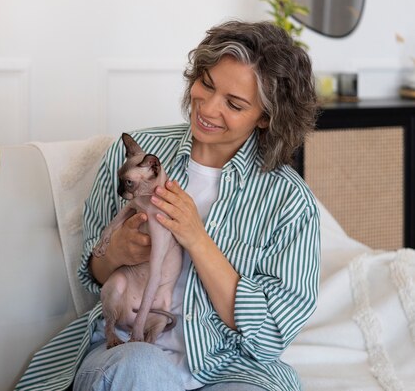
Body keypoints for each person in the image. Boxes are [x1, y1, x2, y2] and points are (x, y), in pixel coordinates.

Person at [16, 20, 320, 391]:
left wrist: (197, 239)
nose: (207, 108)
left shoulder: (290, 202)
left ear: (267, 118)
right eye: (206, 84)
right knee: (139, 369)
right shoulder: (137, 153)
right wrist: (116, 253)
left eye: (234, 104)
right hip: (130, 349)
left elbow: (271, 334)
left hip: (230, 368)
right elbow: (92, 275)